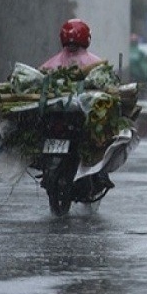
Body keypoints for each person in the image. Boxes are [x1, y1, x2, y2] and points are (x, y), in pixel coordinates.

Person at [40, 18, 113, 195]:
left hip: (58, 118)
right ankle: (99, 173)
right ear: (86, 38)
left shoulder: (51, 64)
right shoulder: (95, 64)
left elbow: (39, 77)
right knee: (100, 138)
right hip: (74, 121)